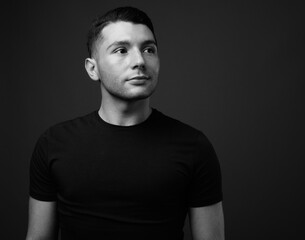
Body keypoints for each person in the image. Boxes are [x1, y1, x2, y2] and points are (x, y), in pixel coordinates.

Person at [26, 6, 224, 240]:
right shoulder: (54, 144)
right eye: (121, 50)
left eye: (149, 49)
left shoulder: (194, 147)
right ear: (92, 68)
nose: (139, 61)